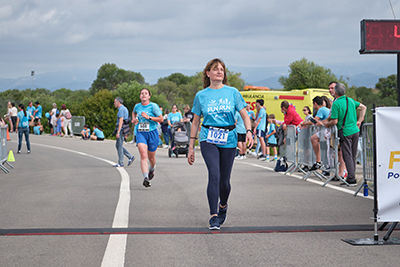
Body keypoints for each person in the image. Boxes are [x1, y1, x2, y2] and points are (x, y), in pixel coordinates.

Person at [187, 58, 253, 230]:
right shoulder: (201, 96)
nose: (219, 71)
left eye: (222, 69)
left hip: (228, 138)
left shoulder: (232, 92)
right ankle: (214, 215)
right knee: (214, 175)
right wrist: (190, 147)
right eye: (215, 69)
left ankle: (223, 205)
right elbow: (195, 122)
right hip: (208, 136)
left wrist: (248, 132)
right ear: (208, 73)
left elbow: (245, 116)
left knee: (224, 181)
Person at [323, 83, 366, 186]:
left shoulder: (336, 104)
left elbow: (334, 121)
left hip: (345, 132)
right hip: (355, 131)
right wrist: (360, 120)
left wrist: (327, 124)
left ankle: (351, 179)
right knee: (353, 155)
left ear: (336, 92)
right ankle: (352, 176)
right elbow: (363, 107)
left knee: (347, 155)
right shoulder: (350, 100)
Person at [131, 88, 163, 187]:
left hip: (152, 133)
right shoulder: (137, 106)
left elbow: (161, 119)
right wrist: (134, 119)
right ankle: (146, 178)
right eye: (142, 93)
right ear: (140, 96)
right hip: (141, 132)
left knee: (151, 157)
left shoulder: (153, 106)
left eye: (146, 93)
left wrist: (148, 117)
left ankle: (152, 169)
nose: (143, 95)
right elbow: (134, 112)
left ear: (149, 96)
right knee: (143, 156)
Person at [299, 96, 330, 171]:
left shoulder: (321, 109)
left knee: (313, 138)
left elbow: (313, 121)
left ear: (315, 104)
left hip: (327, 130)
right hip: (328, 130)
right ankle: (324, 164)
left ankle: (318, 161)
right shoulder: (326, 109)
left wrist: (304, 123)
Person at [113, 97, 135, 168]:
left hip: (121, 129)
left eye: (115, 102)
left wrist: (118, 131)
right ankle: (130, 156)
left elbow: (121, 121)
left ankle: (121, 162)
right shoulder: (124, 108)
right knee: (118, 145)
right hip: (124, 128)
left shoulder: (121, 109)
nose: (114, 104)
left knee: (119, 146)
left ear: (118, 102)